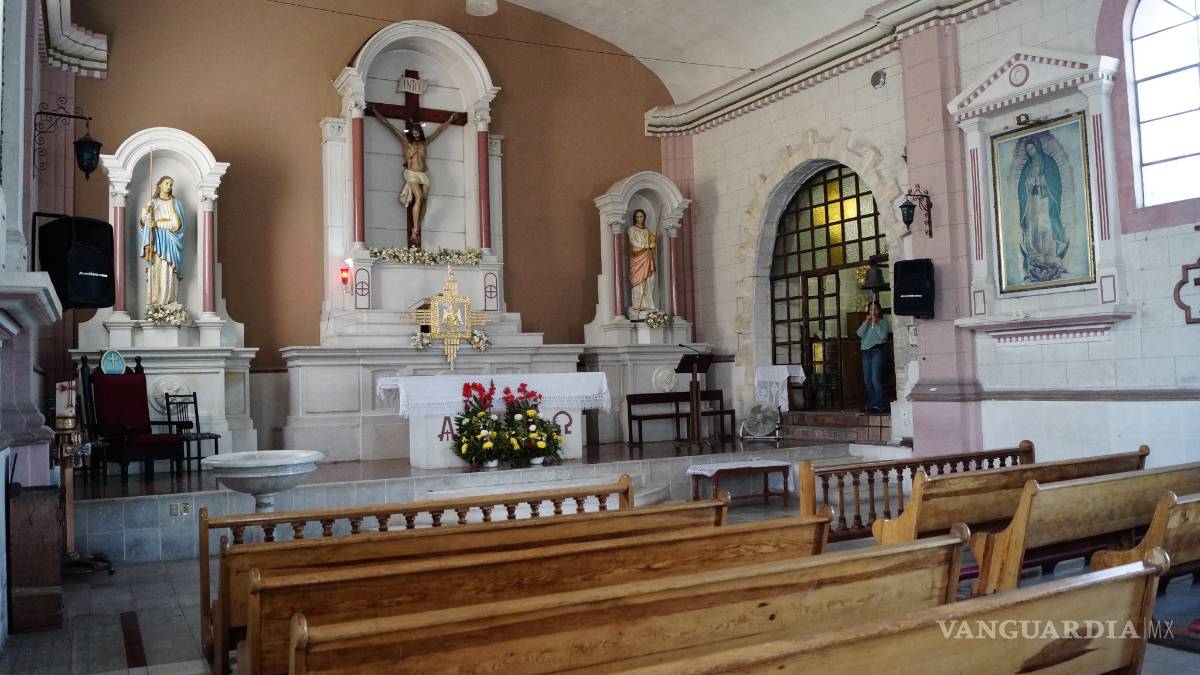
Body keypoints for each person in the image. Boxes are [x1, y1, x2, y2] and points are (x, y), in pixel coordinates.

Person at [370, 106, 463, 249]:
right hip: (412, 173)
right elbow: (389, 125)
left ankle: (417, 229)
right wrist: (376, 112)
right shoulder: (406, 142)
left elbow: (439, 131)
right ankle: (415, 229)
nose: (416, 133)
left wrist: (450, 120)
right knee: (418, 197)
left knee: (425, 199)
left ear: (420, 132)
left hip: (424, 174)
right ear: (411, 134)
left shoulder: (425, 143)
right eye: (414, 132)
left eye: (418, 131)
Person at [1017, 137, 1068, 283]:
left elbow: (1055, 181)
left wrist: (1043, 181)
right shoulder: (1028, 166)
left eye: (1032, 149)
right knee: (1035, 227)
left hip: (1046, 200)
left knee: (1047, 226)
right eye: (1028, 151)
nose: (1031, 152)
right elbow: (1021, 186)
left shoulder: (1049, 162)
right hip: (1033, 201)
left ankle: (1050, 256)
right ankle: (1036, 256)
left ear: (1037, 147)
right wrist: (1028, 184)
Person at [139, 175, 185, 307]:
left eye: (171, 184)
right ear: (159, 185)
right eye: (166, 183)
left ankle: (168, 303)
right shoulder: (154, 203)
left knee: (169, 271)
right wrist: (146, 210)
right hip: (157, 242)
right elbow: (144, 224)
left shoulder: (175, 204)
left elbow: (177, 224)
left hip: (170, 242)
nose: (169, 186)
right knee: (157, 269)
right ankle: (155, 303)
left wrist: (158, 224)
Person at [856, 301, 890, 414]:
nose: (873, 311)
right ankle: (871, 403)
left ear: (879, 311)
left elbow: (883, 336)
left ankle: (879, 404)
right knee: (867, 379)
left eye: (875, 309)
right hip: (866, 352)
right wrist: (866, 322)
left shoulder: (883, 322)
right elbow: (859, 334)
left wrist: (875, 324)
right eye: (871, 309)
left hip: (878, 350)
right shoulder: (866, 322)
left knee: (875, 378)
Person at [627, 209, 658, 316]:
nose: (639, 219)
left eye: (641, 216)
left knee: (649, 281)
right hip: (637, 259)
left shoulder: (647, 231)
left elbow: (652, 247)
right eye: (637, 217)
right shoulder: (631, 229)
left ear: (644, 217)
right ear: (634, 218)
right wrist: (647, 246)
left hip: (647, 259)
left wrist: (653, 241)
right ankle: (638, 305)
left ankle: (648, 304)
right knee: (638, 282)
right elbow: (633, 242)